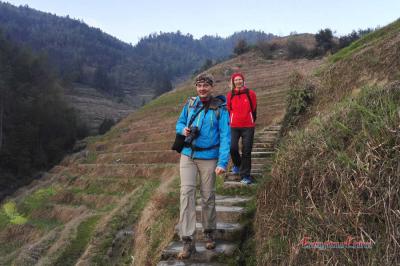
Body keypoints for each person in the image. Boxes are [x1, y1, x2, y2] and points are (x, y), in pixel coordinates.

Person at [175, 73, 230, 259]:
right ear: (196, 88)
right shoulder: (190, 104)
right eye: (199, 85)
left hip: (209, 157)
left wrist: (222, 162)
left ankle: (208, 232)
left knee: (207, 196)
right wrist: (183, 129)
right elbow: (180, 122)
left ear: (211, 87)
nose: (202, 89)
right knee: (186, 195)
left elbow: (225, 136)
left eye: (205, 85)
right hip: (188, 155)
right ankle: (187, 240)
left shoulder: (220, 109)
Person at [227, 72, 257, 184]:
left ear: (243, 81)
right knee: (233, 148)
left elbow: (254, 108)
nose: (238, 81)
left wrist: (251, 119)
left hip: (248, 126)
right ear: (233, 82)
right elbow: (229, 109)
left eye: (240, 79)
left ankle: (246, 176)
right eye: (236, 80)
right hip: (234, 126)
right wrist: (233, 119)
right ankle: (238, 164)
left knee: (246, 151)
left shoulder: (250, 93)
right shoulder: (230, 95)